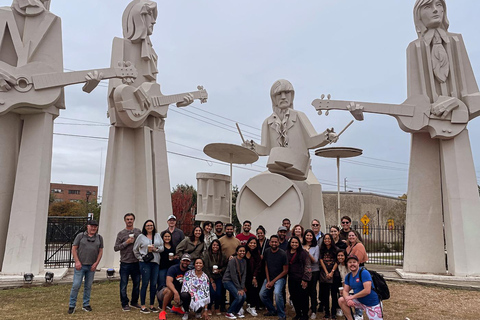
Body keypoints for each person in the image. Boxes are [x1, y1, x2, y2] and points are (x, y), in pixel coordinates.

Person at [68, 220, 104, 314]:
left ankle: (86, 304)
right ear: (87, 227)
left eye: (95, 227)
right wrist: (77, 261)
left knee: (88, 286)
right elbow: (74, 248)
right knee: (76, 285)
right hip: (80, 265)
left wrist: (96, 263)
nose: (93, 228)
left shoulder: (99, 238)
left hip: (91, 266)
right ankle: (72, 305)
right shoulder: (80, 236)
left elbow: (100, 251)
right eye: (91, 226)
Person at [133, 220, 164, 313]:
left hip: (155, 262)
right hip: (145, 262)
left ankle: (151, 304)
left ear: (153, 226)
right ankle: (142, 305)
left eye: (151, 225)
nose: (150, 227)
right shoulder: (141, 237)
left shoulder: (157, 235)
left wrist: (156, 249)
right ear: (145, 227)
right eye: (147, 225)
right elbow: (135, 249)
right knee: (145, 283)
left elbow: (162, 247)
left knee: (153, 284)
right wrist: (140, 257)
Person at [338, 255, 383, 320]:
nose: (352, 264)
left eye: (354, 262)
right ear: (347, 264)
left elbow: (367, 290)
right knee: (341, 300)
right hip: (360, 301)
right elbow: (345, 290)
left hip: (372, 303)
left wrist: (352, 297)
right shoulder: (348, 276)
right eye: (350, 262)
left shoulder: (364, 273)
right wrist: (348, 299)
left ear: (358, 263)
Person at [114, 213, 142, 311]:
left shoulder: (138, 232)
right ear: (125, 221)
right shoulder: (121, 234)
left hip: (136, 262)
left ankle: (134, 302)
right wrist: (127, 242)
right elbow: (116, 248)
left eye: (131, 219)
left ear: (133, 220)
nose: (129, 221)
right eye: (127, 219)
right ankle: (124, 303)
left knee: (137, 284)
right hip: (125, 262)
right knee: (123, 284)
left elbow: (143, 243)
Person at [260, 235, 288, 320]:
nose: (274, 243)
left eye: (276, 242)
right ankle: (272, 310)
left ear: (279, 243)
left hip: (280, 279)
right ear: (269, 242)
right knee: (262, 295)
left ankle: (282, 315)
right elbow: (266, 266)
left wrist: (273, 281)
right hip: (269, 278)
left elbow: (285, 271)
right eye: (272, 242)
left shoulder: (283, 254)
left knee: (277, 293)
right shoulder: (267, 251)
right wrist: (268, 280)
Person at [158, 254, 192, 320]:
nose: (185, 262)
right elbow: (168, 282)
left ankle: (176, 308)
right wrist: (175, 293)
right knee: (169, 291)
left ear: (190, 262)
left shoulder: (189, 271)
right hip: (164, 291)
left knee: (185, 293)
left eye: (187, 261)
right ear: (180, 261)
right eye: (184, 260)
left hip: (179, 291)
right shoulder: (173, 268)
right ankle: (163, 311)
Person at [287, 236, 311, 320]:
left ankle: (304, 314)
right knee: (294, 296)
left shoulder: (303, 253)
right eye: (292, 242)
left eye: (296, 242)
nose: (294, 244)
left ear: (299, 244)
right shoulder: (287, 252)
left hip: (301, 279)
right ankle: (298, 313)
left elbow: (307, 266)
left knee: (303, 297)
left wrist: (305, 279)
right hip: (292, 278)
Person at [203, 239, 228, 316]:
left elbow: (225, 266)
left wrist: (220, 270)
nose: (215, 246)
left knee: (218, 293)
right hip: (209, 277)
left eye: (217, 245)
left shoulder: (222, 255)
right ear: (211, 246)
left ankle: (217, 307)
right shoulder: (207, 254)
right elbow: (205, 268)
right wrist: (211, 279)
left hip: (219, 276)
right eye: (214, 245)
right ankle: (210, 307)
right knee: (211, 292)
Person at [223, 245, 247, 320]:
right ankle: (229, 312)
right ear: (237, 252)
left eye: (243, 251)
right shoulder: (233, 260)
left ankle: (236, 311)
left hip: (237, 282)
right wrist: (239, 288)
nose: (242, 252)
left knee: (244, 296)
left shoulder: (244, 261)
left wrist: (242, 288)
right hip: (228, 280)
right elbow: (233, 275)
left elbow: (244, 275)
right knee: (239, 296)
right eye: (240, 251)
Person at [319, 234, 339, 319]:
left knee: (334, 295)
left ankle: (333, 313)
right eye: (325, 239)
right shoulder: (321, 249)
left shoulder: (336, 249)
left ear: (331, 240)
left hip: (334, 274)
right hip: (324, 274)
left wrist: (332, 272)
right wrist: (327, 272)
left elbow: (337, 261)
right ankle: (327, 312)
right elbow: (321, 260)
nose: (327, 240)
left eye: (328, 239)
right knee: (325, 295)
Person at [303, 229, 320, 319]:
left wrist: (307, 253)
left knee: (312, 291)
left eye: (310, 235)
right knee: (305, 291)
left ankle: (314, 310)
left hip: (314, 271)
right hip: (304, 271)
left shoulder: (316, 247)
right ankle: (305, 310)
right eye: (307, 235)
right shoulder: (301, 246)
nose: (309, 237)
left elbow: (315, 260)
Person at [245, 237, 262, 317]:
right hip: (244, 275)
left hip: (254, 275)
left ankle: (252, 306)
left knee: (253, 289)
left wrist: (254, 276)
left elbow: (259, 265)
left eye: (254, 243)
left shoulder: (257, 253)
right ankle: (247, 305)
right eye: (251, 243)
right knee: (245, 290)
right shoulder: (244, 251)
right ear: (248, 244)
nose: (252, 244)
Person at [334, 250, 348, 318]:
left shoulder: (348, 265)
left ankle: (358, 313)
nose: (340, 257)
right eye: (338, 256)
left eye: (342, 255)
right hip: (344, 284)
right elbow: (343, 279)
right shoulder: (339, 265)